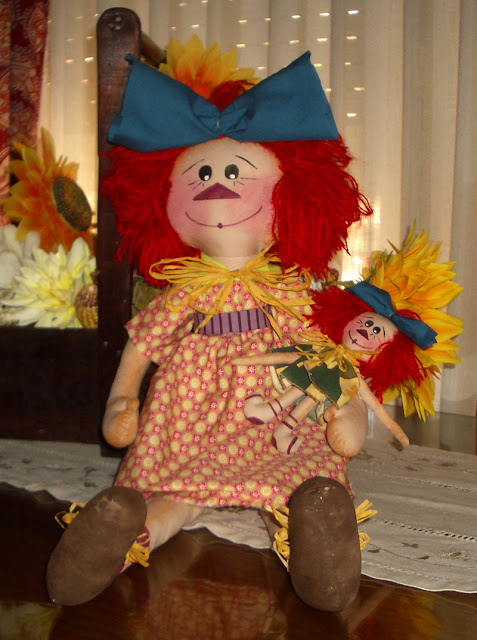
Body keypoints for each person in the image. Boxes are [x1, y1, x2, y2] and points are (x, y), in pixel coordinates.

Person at [46, 45, 373, 612]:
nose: (216, 183)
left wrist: (347, 408)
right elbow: (141, 348)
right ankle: (120, 534)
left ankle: (314, 539)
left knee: (292, 484)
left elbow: (326, 349)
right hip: (188, 423)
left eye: (235, 172)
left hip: (275, 415)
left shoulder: (285, 289)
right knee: (173, 496)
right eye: (200, 173)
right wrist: (122, 402)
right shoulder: (184, 292)